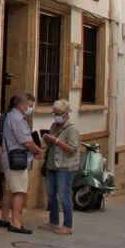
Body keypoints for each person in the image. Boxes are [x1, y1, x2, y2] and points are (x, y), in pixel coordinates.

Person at [0, 92, 42, 234]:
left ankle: (5, 217)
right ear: (22, 105)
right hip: (17, 161)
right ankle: (16, 222)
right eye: (29, 106)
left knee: (9, 189)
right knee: (19, 191)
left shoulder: (10, 116)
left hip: (8, 158)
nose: (30, 109)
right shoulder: (18, 119)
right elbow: (26, 142)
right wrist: (38, 150)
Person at [40, 99, 80, 235]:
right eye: (54, 113)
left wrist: (56, 141)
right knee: (51, 194)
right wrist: (47, 138)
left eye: (57, 113)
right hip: (52, 164)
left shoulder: (71, 129)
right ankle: (53, 221)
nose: (55, 116)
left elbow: (72, 149)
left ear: (65, 114)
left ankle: (68, 225)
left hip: (65, 166)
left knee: (64, 195)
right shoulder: (54, 126)